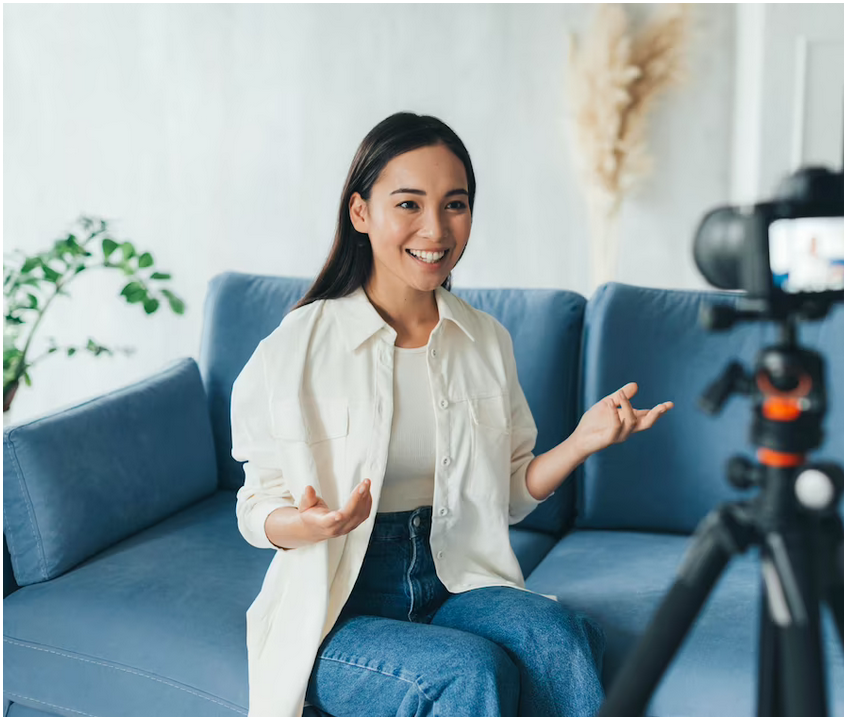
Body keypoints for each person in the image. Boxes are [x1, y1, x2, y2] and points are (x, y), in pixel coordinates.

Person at [232, 111, 674, 716]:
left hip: (454, 579)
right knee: (468, 671)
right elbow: (255, 508)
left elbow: (512, 495)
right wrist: (308, 525)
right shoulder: (297, 345)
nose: (436, 229)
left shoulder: (485, 340)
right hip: (337, 606)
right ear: (361, 213)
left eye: (455, 204)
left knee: (559, 636)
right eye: (408, 204)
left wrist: (582, 441)